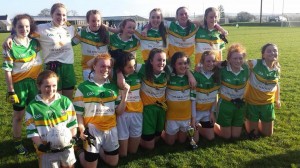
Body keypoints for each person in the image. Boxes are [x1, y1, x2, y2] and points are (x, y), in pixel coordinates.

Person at [3, 3, 76, 100]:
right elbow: (25, 31)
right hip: (52, 67)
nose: (61, 17)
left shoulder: (70, 28)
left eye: (64, 15)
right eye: (58, 14)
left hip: (68, 67)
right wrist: (10, 37)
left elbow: (84, 34)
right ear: (51, 15)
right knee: (55, 99)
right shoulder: (42, 29)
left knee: (68, 99)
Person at [73, 53, 129, 167]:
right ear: (94, 66)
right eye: (102, 66)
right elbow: (78, 113)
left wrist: (125, 95)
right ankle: (78, 150)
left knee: (113, 163)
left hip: (110, 129)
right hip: (92, 130)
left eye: (109, 67)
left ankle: (98, 151)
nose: (106, 69)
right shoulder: (83, 87)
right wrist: (82, 128)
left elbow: (119, 112)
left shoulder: (113, 87)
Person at [2, 14, 42, 155]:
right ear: (14, 28)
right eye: (20, 26)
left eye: (27, 26)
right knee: (18, 116)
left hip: (36, 84)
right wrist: (11, 90)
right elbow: (7, 70)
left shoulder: (35, 42)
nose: (24, 29)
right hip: (19, 85)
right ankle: (17, 142)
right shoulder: (10, 45)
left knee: (36, 113)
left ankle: (36, 139)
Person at [25, 70, 78, 168]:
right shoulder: (32, 107)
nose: (51, 89)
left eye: (54, 85)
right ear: (38, 86)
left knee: (69, 166)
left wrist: (73, 136)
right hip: (45, 148)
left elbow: (72, 122)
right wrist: (40, 146)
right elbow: (32, 131)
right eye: (47, 86)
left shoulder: (65, 101)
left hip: (66, 145)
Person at [244, 43, 281, 138]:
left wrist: (277, 99)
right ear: (263, 55)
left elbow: (276, 84)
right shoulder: (255, 63)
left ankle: (256, 121)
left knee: (267, 134)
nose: (273, 53)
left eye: (275, 51)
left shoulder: (277, 68)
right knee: (253, 133)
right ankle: (246, 120)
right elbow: (238, 62)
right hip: (253, 103)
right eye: (269, 51)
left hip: (268, 104)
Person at [214, 43, 249, 139]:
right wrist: (217, 63)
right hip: (226, 104)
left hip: (240, 104)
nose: (238, 61)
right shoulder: (222, 69)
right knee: (227, 137)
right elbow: (206, 64)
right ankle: (210, 126)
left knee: (235, 136)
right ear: (229, 59)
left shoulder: (247, 68)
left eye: (240, 58)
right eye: (235, 58)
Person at [112, 50, 143, 157]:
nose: (133, 69)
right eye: (129, 67)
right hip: (122, 114)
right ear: (121, 67)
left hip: (138, 113)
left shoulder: (138, 73)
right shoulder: (113, 77)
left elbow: (154, 66)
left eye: (134, 66)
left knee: (133, 151)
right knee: (123, 155)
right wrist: (118, 72)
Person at [138, 48, 169, 150]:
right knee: (150, 146)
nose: (162, 63)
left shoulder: (168, 71)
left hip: (161, 108)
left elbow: (184, 68)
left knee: (157, 138)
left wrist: (190, 75)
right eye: (159, 60)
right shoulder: (143, 69)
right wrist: (120, 74)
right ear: (151, 61)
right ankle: (134, 139)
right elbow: (125, 66)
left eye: (164, 60)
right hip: (147, 110)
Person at [162, 51, 196, 145]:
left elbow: (193, 100)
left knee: (181, 141)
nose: (183, 66)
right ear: (174, 65)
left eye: (185, 63)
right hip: (172, 117)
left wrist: (193, 119)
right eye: (179, 63)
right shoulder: (168, 77)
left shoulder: (191, 79)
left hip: (185, 117)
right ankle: (163, 133)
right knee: (170, 143)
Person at [72, 10, 110, 81]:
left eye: (98, 21)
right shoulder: (82, 33)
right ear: (87, 21)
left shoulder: (106, 33)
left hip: (104, 67)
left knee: (103, 90)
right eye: (93, 21)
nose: (96, 23)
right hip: (88, 68)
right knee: (91, 90)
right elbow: (70, 43)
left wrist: (109, 28)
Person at [193, 50, 220, 141]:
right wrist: (192, 117)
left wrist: (212, 113)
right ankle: (191, 126)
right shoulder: (196, 75)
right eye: (208, 61)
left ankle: (199, 127)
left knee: (211, 137)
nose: (211, 63)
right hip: (195, 112)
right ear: (202, 62)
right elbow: (191, 99)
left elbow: (214, 96)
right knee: (195, 140)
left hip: (207, 112)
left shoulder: (217, 75)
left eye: (213, 61)